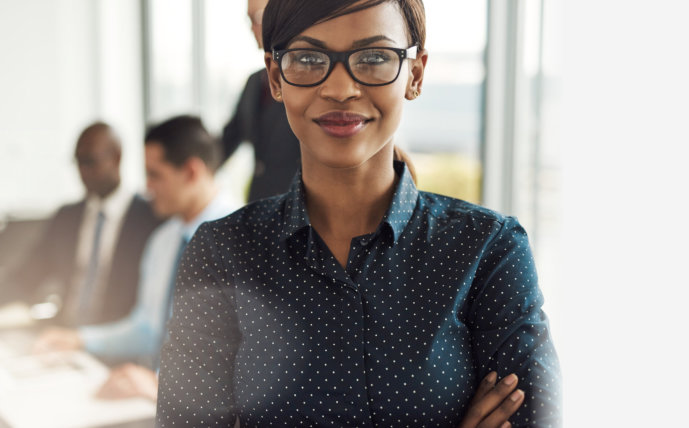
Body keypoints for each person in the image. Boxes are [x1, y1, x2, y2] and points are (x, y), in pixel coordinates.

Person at [157, 1, 561, 427]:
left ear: (416, 73)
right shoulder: (222, 253)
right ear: (276, 77)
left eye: (373, 58)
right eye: (309, 59)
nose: (340, 89)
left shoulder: (488, 250)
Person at [34, 116, 240, 400]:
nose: (147, 188)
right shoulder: (162, 241)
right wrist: (80, 339)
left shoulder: (247, 243)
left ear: (191, 172)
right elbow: (146, 328)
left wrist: (161, 385)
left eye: (155, 175)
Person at [1, 122, 160, 326]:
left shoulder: (149, 219)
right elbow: (26, 275)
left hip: (118, 343)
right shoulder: (67, 218)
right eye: (78, 162)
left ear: (117, 157)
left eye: (90, 161)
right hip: (63, 335)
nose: (83, 171)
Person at [220, 0, 301, 202]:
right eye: (249, 19)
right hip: (260, 202)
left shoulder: (307, 80)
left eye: (256, 17)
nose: (251, 28)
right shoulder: (254, 81)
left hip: (298, 204)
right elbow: (230, 137)